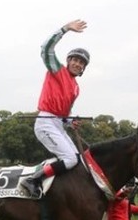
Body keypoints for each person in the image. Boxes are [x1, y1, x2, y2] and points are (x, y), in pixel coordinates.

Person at [20, 19, 90, 198]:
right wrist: (65, 29)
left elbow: (64, 114)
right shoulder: (57, 70)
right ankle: (33, 180)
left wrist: (71, 121)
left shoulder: (76, 88)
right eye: (74, 60)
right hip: (46, 122)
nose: (77, 64)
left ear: (83, 68)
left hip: (57, 124)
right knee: (70, 159)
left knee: (77, 161)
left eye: (81, 63)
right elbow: (45, 49)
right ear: (68, 61)